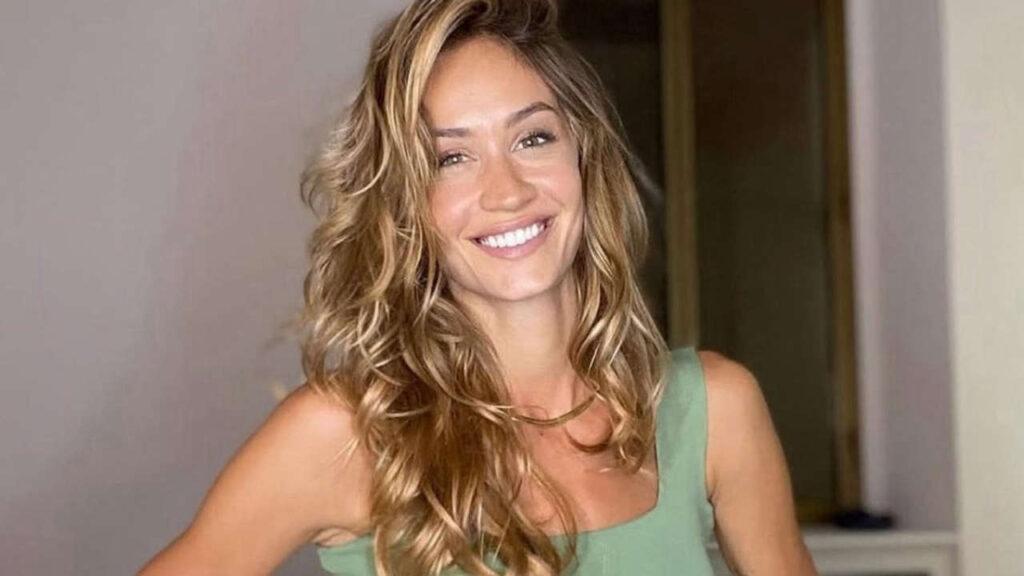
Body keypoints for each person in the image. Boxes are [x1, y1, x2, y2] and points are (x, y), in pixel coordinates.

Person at [138, 0, 817, 574]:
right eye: (451, 157)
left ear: (586, 159)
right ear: (405, 206)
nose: (507, 191)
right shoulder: (343, 435)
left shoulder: (716, 411)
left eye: (533, 139)